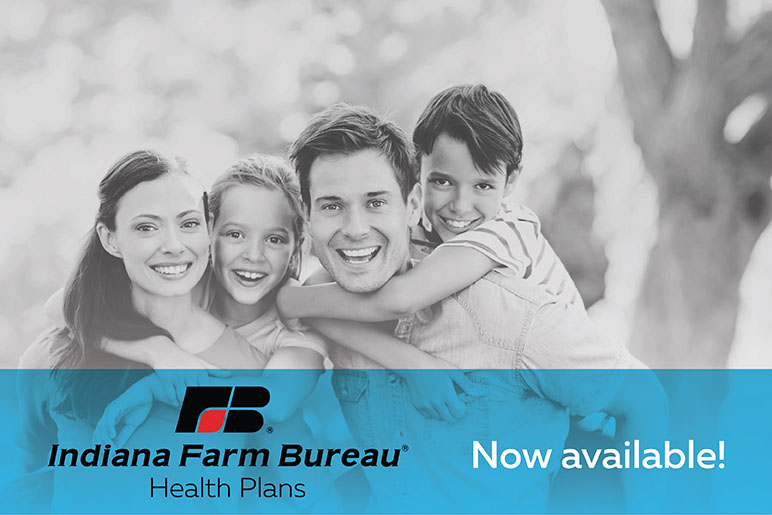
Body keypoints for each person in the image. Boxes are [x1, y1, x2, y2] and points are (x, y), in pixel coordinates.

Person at [284, 102, 668, 512]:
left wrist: (289, 299)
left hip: (586, 428)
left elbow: (644, 399)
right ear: (305, 216)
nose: (356, 228)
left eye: (376, 202)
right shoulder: (339, 295)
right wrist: (408, 362)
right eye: (331, 205)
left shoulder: (507, 299)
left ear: (409, 204)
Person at [16, 149, 268, 512]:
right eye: (146, 227)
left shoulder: (250, 366)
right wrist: (156, 351)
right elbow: (24, 476)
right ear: (110, 239)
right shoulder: (56, 352)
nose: (173, 245)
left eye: (189, 223)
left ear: (210, 230)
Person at [278, 84, 584, 325]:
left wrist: (292, 301)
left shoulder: (511, 232)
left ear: (512, 180)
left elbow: (399, 299)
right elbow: (332, 286)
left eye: (483, 186)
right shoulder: (418, 230)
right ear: (417, 170)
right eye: (443, 182)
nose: (461, 206)